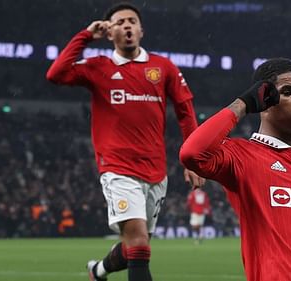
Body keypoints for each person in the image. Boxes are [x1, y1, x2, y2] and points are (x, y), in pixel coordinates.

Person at [46, 2, 205, 281]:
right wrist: (85, 36)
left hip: (156, 170)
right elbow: (56, 74)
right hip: (117, 168)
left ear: (141, 30)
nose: (127, 26)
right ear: (109, 33)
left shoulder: (163, 67)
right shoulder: (98, 67)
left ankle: (98, 271)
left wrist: (192, 159)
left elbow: (185, 111)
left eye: (132, 21)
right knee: (140, 244)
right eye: (119, 23)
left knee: (135, 246)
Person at [180, 58, 291, 280]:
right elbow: (192, 153)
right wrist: (243, 104)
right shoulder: (242, 156)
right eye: (289, 92)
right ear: (264, 99)